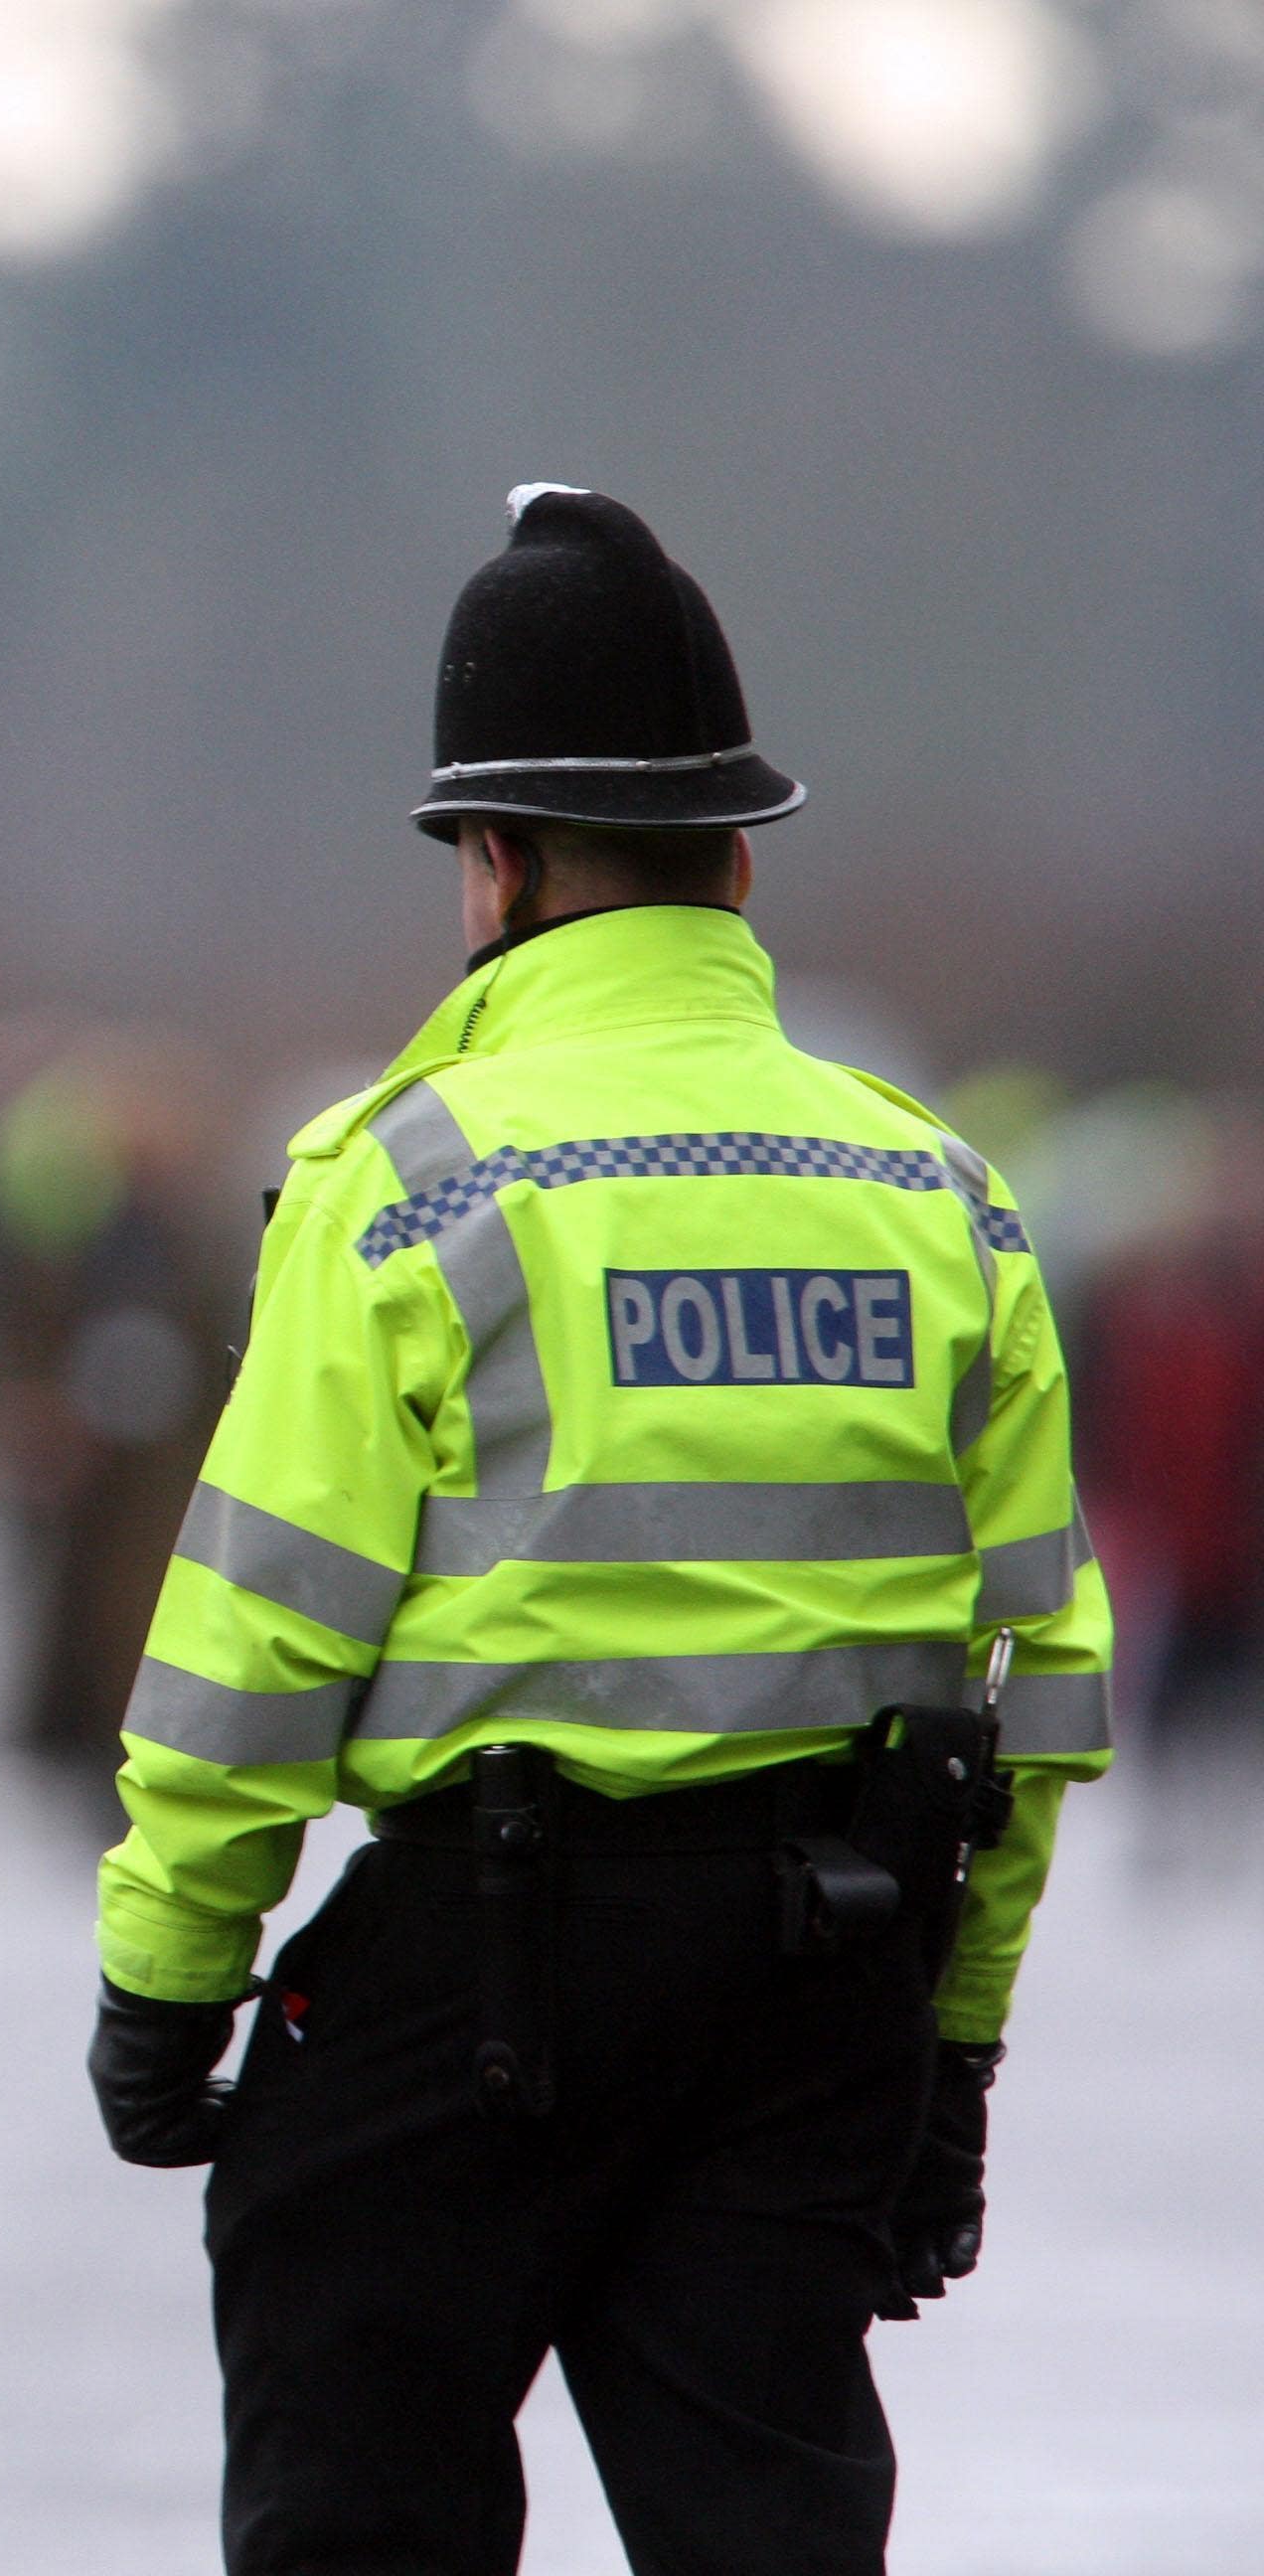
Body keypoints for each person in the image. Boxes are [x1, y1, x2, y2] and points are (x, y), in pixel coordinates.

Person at [80, 485, 1114, 2574]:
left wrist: (168, 1985)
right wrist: (954, 2054)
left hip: (486, 1967)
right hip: (824, 1965)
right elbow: (1045, 1691)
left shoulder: (409, 1183)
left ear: (497, 864)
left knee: (353, 2471)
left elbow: (255, 1646)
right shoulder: (938, 1193)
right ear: (737, 860)